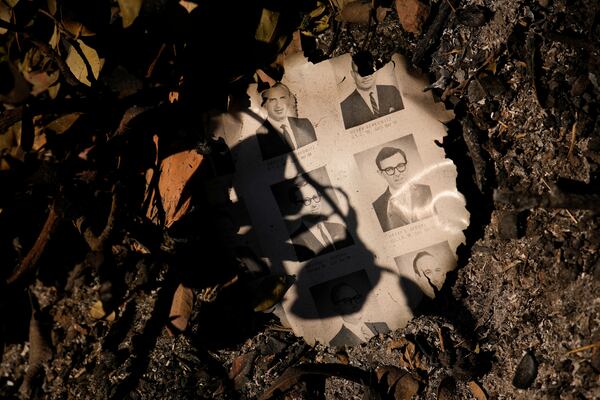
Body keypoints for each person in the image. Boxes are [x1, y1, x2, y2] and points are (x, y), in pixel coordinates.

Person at [288, 177, 353, 262]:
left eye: (315, 197)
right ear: (296, 206)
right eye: (306, 201)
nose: (314, 204)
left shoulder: (340, 228)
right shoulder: (295, 240)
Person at [372, 146, 434, 232]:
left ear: (407, 165)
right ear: (381, 174)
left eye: (400, 166)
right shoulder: (376, 207)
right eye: (389, 169)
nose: (397, 173)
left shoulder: (429, 191)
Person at [340, 51, 404, 130]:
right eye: (360, 73)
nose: (366, 76)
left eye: (369, 70)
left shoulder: (392, 91)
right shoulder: (345, 107)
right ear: (353, 75)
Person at [256, 83, 317, 160]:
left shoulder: (305, 124)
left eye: (282, 98)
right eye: (272, 100)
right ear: (264, 105)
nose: (278, 105)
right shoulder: (258, 136)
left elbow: (316, 159)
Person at [327, 282, 389, 347]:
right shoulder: (336, 343)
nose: (354, 304)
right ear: (337, 308)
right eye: (347, 301)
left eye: (356, 298)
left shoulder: (383, 326)